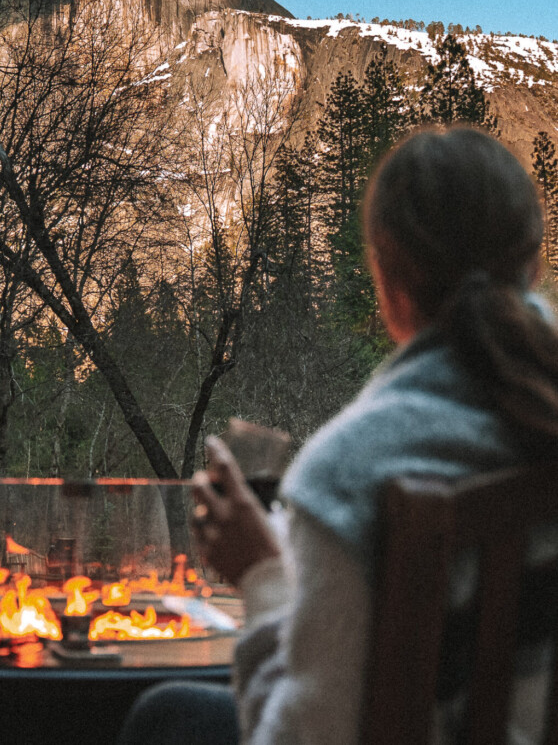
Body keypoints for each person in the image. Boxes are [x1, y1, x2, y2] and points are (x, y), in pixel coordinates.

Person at [118, 124, 558, 745]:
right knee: (177, 712)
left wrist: (265, 575)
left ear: (389, 285)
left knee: (161, 718)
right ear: (533, 263)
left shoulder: (351, 472)